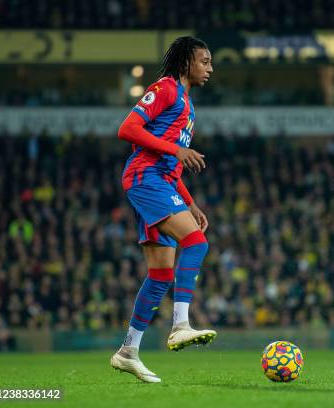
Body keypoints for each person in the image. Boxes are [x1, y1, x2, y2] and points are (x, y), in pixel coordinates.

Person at [110, 36, 215, 383]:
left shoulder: (187, 104)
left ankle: (128, 351)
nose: (210, 69)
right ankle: (180, 325)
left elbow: (172, 162)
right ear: (186, 62)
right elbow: (128, 128)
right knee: (196, 242)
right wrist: (175, 149)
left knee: (160, 276)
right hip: (145, 177)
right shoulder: (167, 88)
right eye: (204, 61)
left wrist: (190, 201)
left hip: (162, 181)